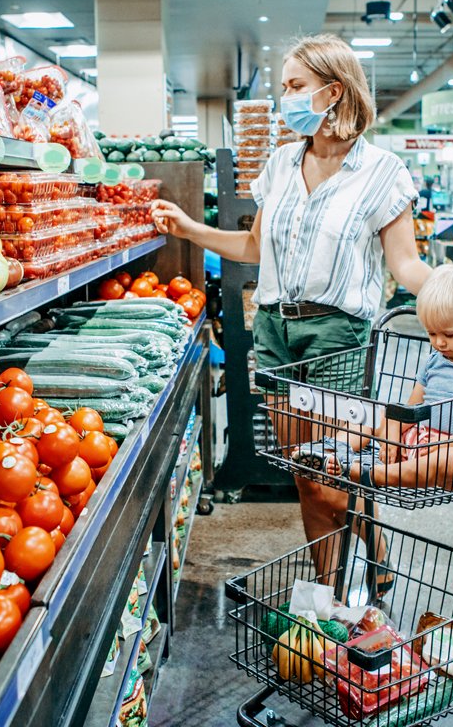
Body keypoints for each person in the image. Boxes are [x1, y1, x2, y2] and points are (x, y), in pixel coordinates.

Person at [151, 34, 430, 583]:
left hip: (337, 336)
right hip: (275, 332)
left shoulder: (382, 172)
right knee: (305, 475)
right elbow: (255, 250)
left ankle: (345, 575)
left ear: (332, 92)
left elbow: (407, 266)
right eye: (283, 86)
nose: (285, 97)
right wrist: (189, 228)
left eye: (295, 86)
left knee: (333, 474)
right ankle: (329, 587)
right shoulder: (280, 164)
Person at [321, 264, 453, 491]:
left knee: (448, 459)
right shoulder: (435, 360)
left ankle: (369, 473)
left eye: (449, 334)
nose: (439, 342)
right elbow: (411, 408)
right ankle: (330, 454)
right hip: (419, 441)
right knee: (370, 416)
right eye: (432, 333)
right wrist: (393, 431)